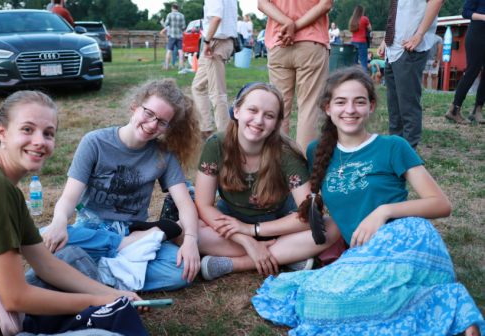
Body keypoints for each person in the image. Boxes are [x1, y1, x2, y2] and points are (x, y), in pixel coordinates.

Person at [252, 67, 485, 336]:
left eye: (359, 101)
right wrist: (252, 231)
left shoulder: (393, 146)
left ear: (371, 106)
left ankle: (454, 307)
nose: (350, 109)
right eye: (340, 102)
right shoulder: (317, 151)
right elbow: (310, 210)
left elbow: (441, 204)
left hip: (407, 239)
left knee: (367, 297)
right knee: (315, 303)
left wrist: (383, 212)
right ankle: (446, 308)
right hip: (364, 254)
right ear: (328, 107)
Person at [0, 91, 147, 336]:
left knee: (70, 258)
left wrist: (113, 294)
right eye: (27, 129)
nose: (39, 141)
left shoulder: (0, 185)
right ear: (2, 133)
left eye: (48, 133)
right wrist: (99, 302)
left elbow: (45, 264)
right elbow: (15, 297)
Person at [41, 79, 203, 293]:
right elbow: (70, 197)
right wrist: (59, 222)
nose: (153, 124)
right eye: (149, 113)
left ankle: (86, 276)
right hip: (91, 232)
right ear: (134, 107)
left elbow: (185, 204)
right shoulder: (95, 143)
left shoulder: (164, 153)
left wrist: (191, 240)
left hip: (133, 234)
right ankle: (118, 266)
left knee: (181, 270)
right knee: (41, 237)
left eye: (163, 122)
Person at [194, 82, 342, 281]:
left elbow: (311, 214)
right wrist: (246, 240)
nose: (259, 120)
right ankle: (286, 255)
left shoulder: (286, 154)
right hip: (230, 223)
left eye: (269, 115)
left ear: (276, 123)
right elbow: (203, 205)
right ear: (236, 110)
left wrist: (252, 231)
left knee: (333, 227)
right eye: (252, 110)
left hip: (279, 222)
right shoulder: (216, 144)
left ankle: (236, 263)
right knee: (185, 229)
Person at [257, 0, 333, 154]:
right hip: (311, 41)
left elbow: (262, 4)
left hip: (280, 40)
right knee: (308, 108)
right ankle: (303, 169)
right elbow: (325, 4)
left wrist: (288, 24)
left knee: (279, 108)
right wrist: (294, 26)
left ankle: (278, 163)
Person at [378, 0, 445, 150]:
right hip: (393, 47)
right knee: (394, 107)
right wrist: (385, 40)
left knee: (408, 106)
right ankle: (395, 151)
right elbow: (400, 10)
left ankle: (407, 156)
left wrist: (420, 34)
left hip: (410, 47)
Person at [191, 0, 237, 141]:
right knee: (197, 86)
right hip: (220, 42)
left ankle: (224, 137)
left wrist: (206, 42)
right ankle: (206, 129)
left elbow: (216, 17)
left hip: (215, 43)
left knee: (217, 93)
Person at [444, 0, 485, 124]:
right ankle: (454, 110)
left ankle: (477, 111)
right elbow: (466, 12)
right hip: (476, 33)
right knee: (472, 71)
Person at [161, 4, 186, 71]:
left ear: (172, 8)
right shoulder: (182, 15)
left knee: (169, 51)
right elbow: (183, 27)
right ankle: (182, 67)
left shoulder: (169, 15)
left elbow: (166, 25)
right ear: (177, 8)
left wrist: (162, 22)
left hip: (171, 36)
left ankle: (167, 67)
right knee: (180, 51)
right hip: (179, 36)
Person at [349, 4, 372, 71]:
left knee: (354, 61)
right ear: (362, 11)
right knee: (364, 61)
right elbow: (370, 29)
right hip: (362, 42)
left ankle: (353, 77)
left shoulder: (353, 19)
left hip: (353, 42)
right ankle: (364, 78)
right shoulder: (365, 19)